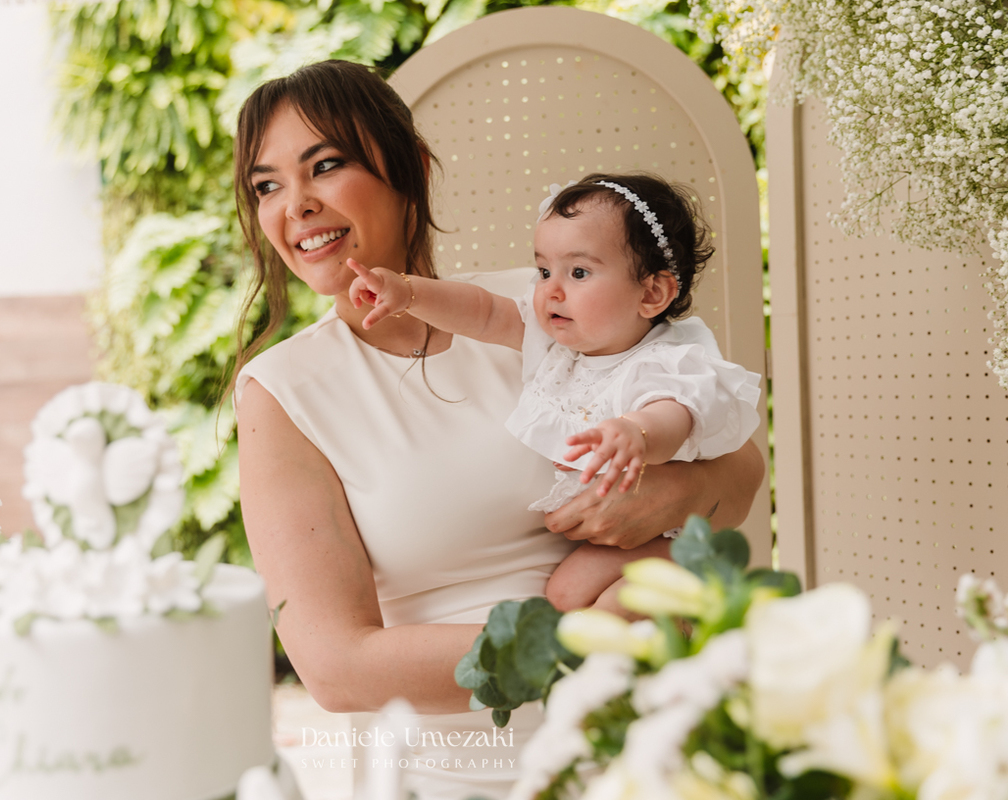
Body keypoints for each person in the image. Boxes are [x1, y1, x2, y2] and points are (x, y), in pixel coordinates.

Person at [229, 60, 764, 799]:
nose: (297, 205)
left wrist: (675, 494)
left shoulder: (545, 305)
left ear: (411, 168)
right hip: (465, 772)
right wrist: (585, 646)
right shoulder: (282, 393)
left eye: (325, 166)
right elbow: (337, 669)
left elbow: (740, 469)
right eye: (267, 186)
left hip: (656, 745)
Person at [346, 174, 763, 612]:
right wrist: (408, 293)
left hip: (663, 528)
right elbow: (482, 312)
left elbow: (673, 416)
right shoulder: (556, 346)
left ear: (652, 293)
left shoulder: (665, 362)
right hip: (613, 530)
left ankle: (688, 575)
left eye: (578, 272)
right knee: (567, 594)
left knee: (579, 595)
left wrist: (635, 432)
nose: (551, 290)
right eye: (544, 271)